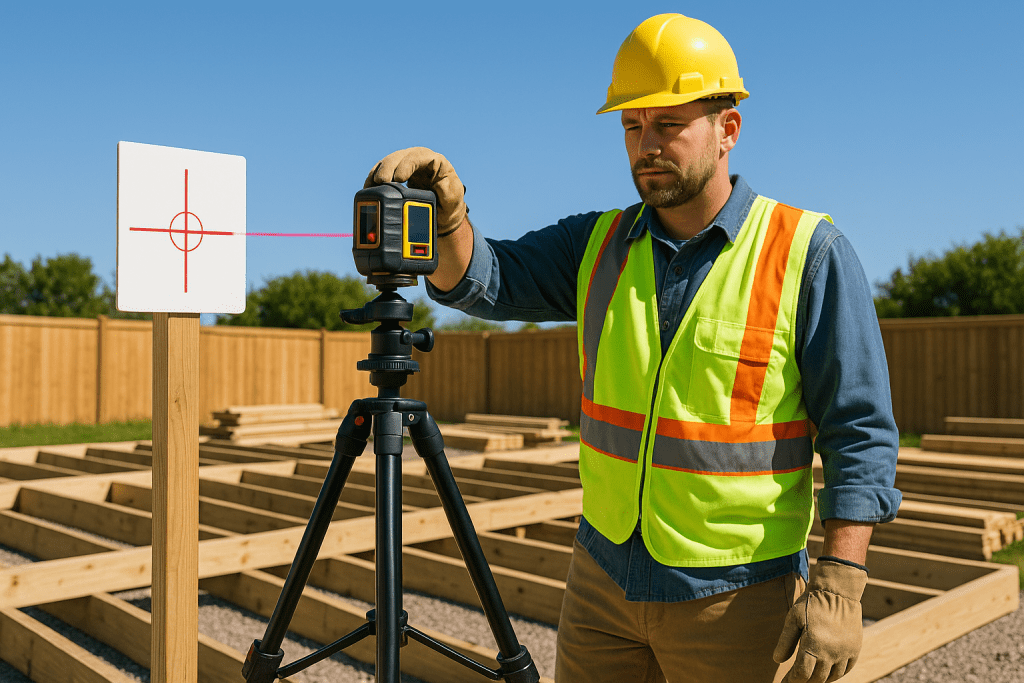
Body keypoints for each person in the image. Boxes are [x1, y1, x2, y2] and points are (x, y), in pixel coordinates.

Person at [364, 13, 900, 683]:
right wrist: (449, 219)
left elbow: (859, 429)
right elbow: (481, 280)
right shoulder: (597, 245)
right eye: (631, 124)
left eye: (668, 124)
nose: (646, 143)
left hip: (737, 596)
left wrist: (841, 581)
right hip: (601, 581)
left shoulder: (807, 252)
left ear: (728, 128)